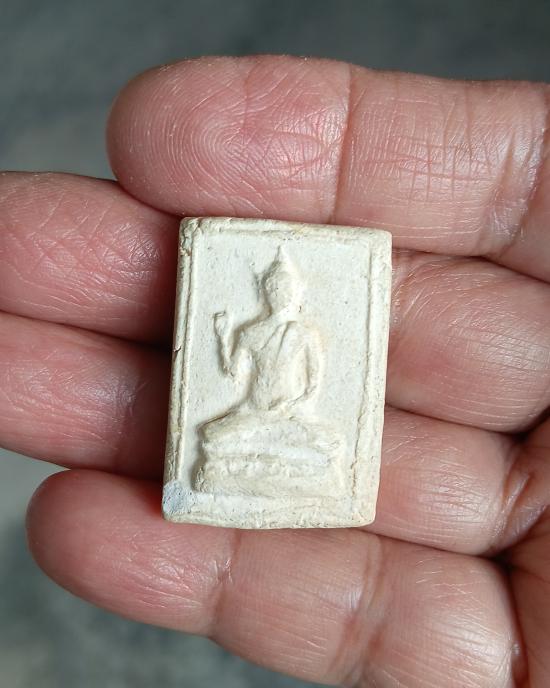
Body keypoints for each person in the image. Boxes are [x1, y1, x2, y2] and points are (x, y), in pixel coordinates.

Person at [1, 55, 549, 686]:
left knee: (324, 445)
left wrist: (292, 409)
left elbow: (314, 383)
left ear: (294, 295)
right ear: (267, 292)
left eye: (287, 291)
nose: (281, 297)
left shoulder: (305, 332)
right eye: (275, 290)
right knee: (217, 437)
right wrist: (217, 335)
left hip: (292, 420)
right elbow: (234, 373)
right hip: (252, 416)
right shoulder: (253, 330)